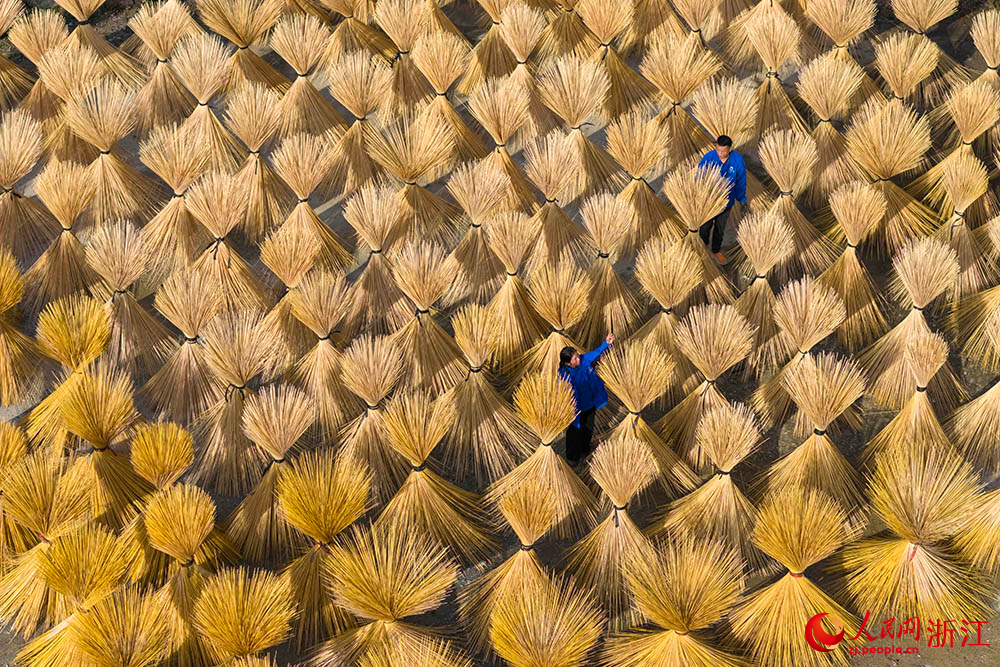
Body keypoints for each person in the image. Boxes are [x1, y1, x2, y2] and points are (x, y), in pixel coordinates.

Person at [558, 333, 614, 464]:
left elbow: (596, 353)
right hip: (575, 410)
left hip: (589, 404)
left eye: (577, 356)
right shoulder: (563, 375)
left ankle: (585, 450)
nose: (579, 359)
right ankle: (572, 457)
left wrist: (606, 343)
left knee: (588, 428)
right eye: (575, 359)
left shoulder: (584, 361)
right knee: (574, 433)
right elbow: (563, 393)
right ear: (568, 363)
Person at [698, 135, 747, 266]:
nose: (720, 153)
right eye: (718, 150)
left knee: (720, 229)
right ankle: (702, 249)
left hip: (726, 202)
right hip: (709, 201)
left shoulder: (737, 160)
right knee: (704, 227)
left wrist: (742, 199)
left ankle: (715, 251)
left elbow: (741, 181)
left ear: (730, 149)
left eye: (723, 151)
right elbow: (699, 177)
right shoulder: (708, 157)